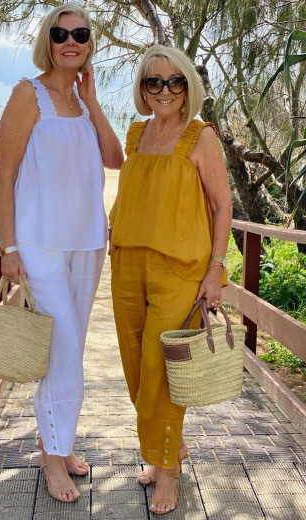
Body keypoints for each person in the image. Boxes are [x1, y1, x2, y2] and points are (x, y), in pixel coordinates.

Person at [0, 3, 123, 503]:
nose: (71, 42)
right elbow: (5, 176)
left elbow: (115, 158)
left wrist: (94, 101)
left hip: (87, 240)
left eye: (80, 34)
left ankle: (56, 443)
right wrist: (9, 246)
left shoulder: (83, 100)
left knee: (70, 347)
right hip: (39, 241)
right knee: (61, 347)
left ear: (89, 43)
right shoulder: (28, 93)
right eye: (61, 34)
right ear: (48, 41)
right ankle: (52, 458)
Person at [109, 45, 232, 515]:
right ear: (143, 89)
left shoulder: (201, 137)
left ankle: (167, 470)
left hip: (180, 270)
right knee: (135, 366)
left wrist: (216, 269)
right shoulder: (135, 134)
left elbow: (222, 206)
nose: (164, 90)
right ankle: (170, 447)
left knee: (161, 371)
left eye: (174, 81)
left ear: (187, 88)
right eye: (153, 82)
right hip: (127, 264)